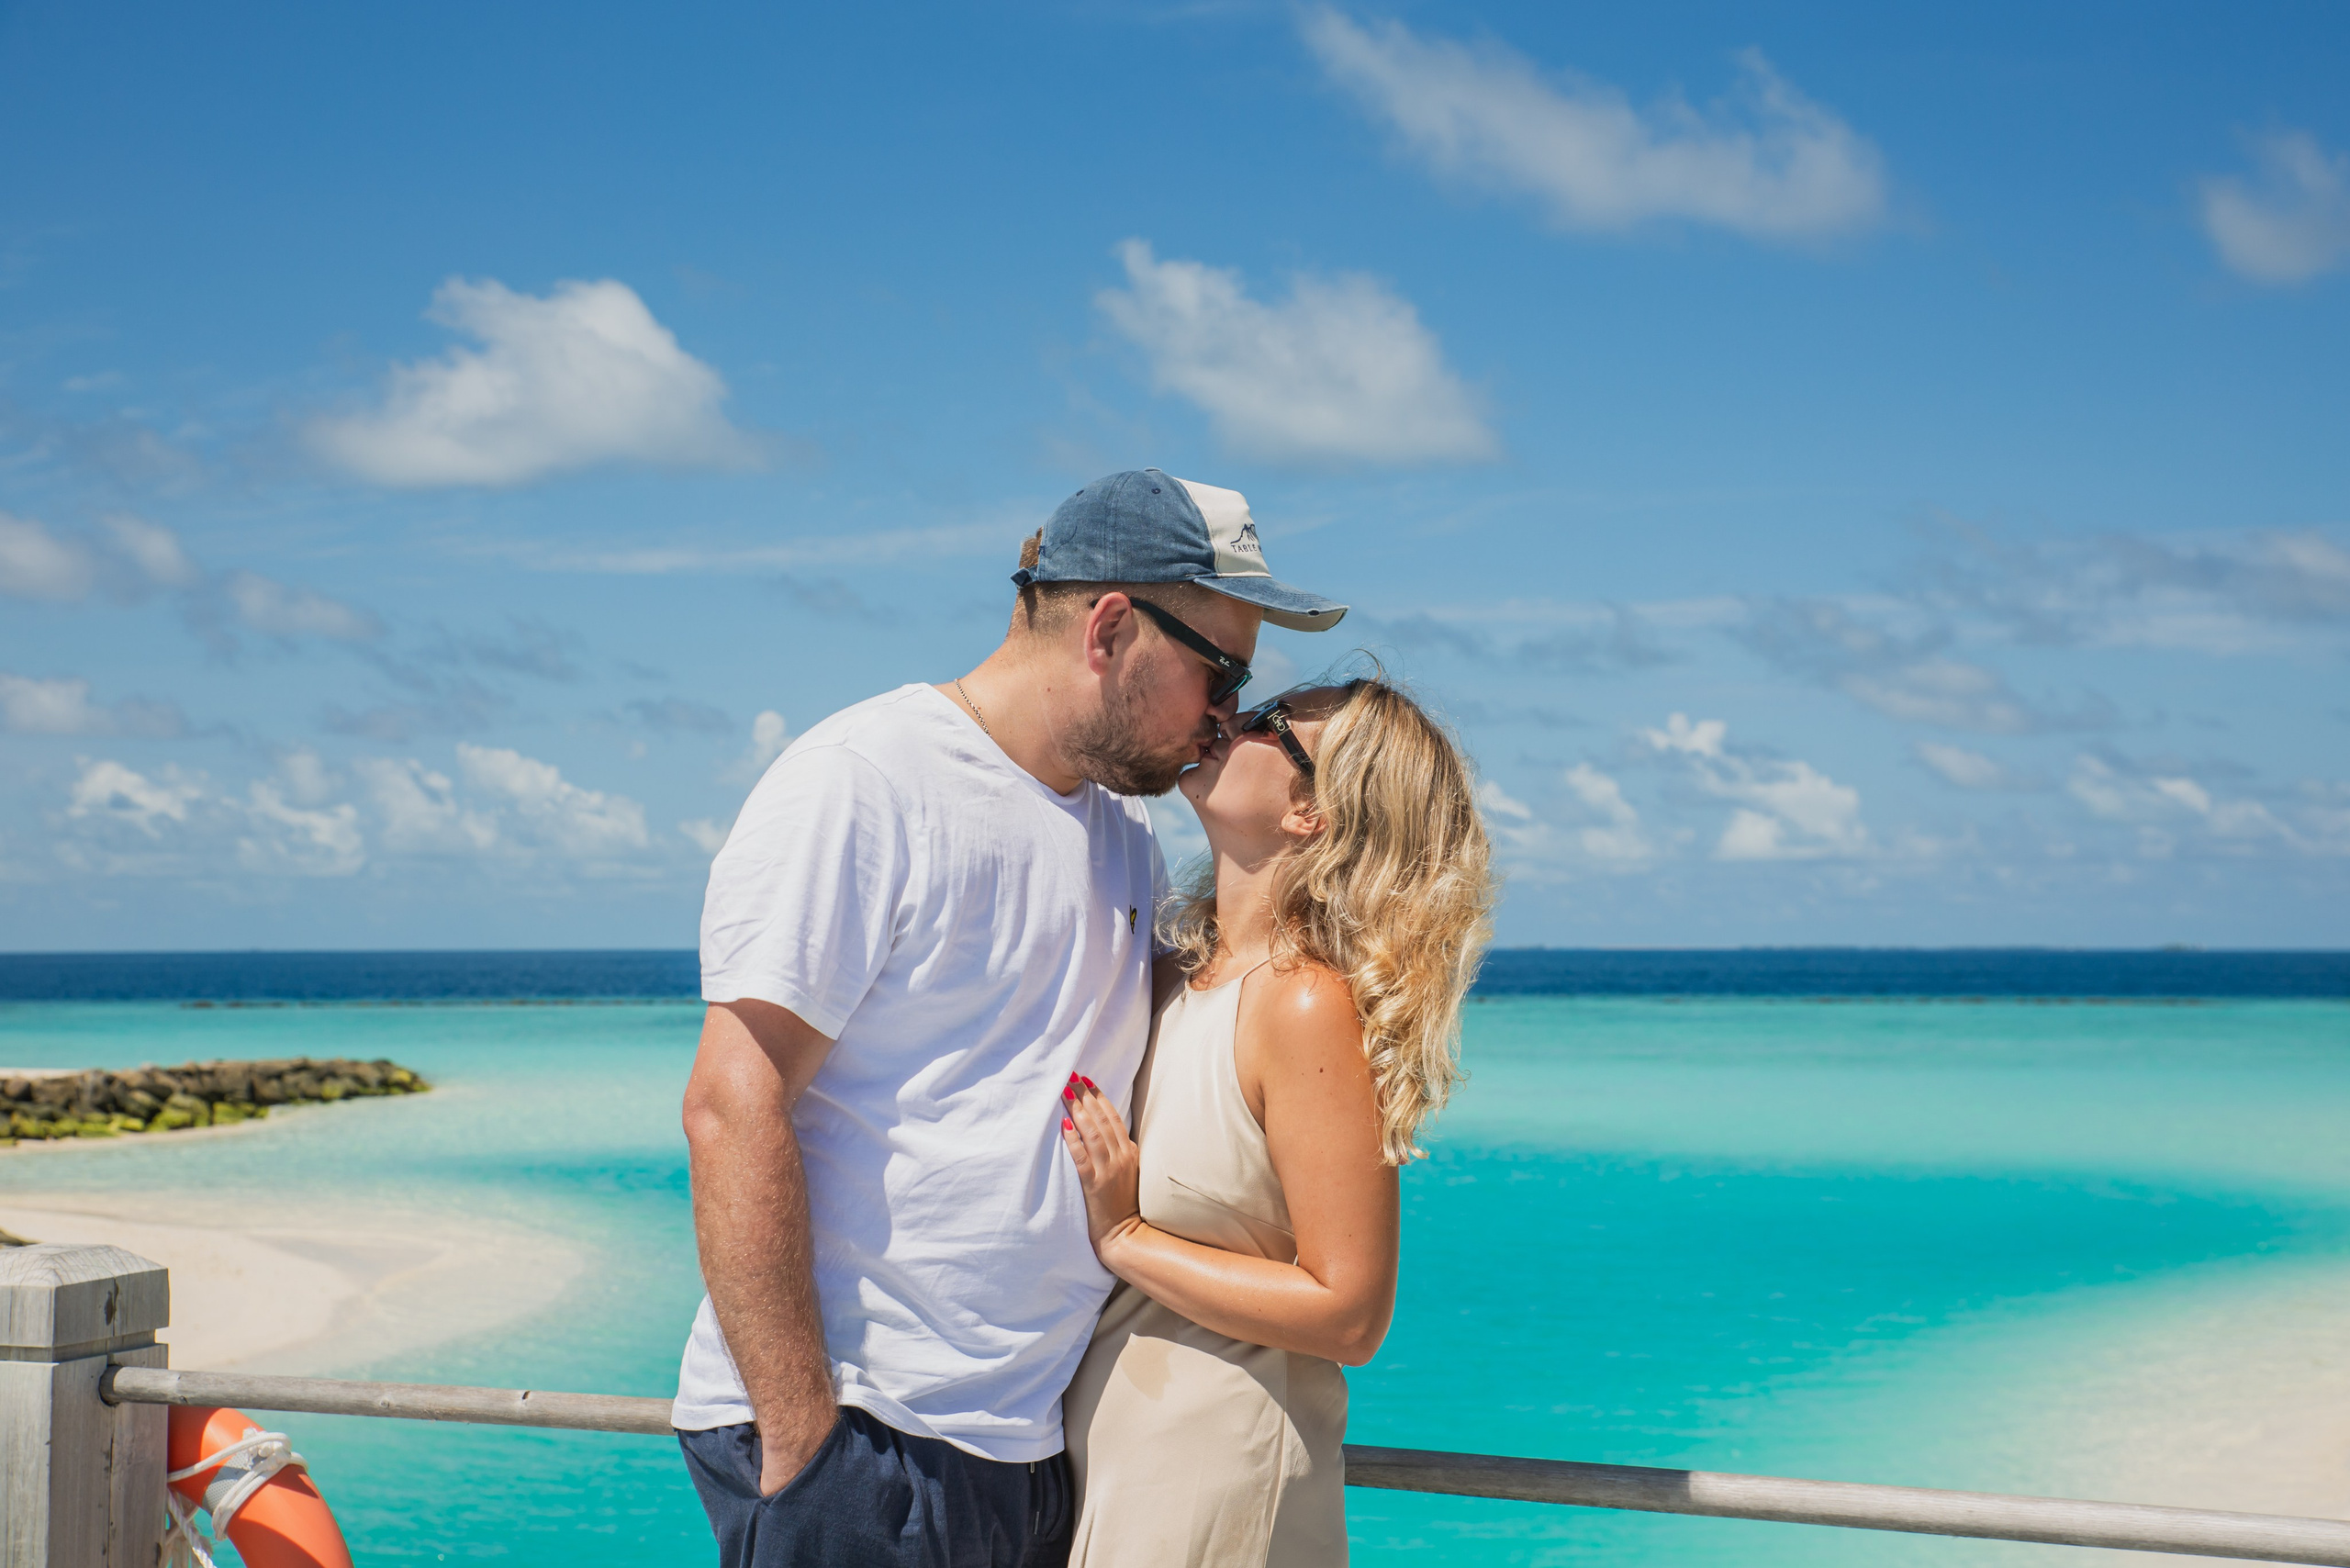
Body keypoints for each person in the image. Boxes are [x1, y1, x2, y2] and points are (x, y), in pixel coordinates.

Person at [672, 468, 1348, 1567]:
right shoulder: (865, 777)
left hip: (1028, 1451)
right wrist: (806, 1446)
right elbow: (728, 1100)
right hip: (871, 1434)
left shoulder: (1118, 836)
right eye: (1218, 671)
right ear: (1113, 627)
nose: (1225, 712)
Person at [1057, 676, 1496, 1568]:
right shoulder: (1174, 978)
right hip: (1118, 1456)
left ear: (1309, 813)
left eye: (1266, 725)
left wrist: (1127, 1236)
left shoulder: (1301, 1005)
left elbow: (1349, 1312)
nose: (1224, 716)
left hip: (1218, 1472)